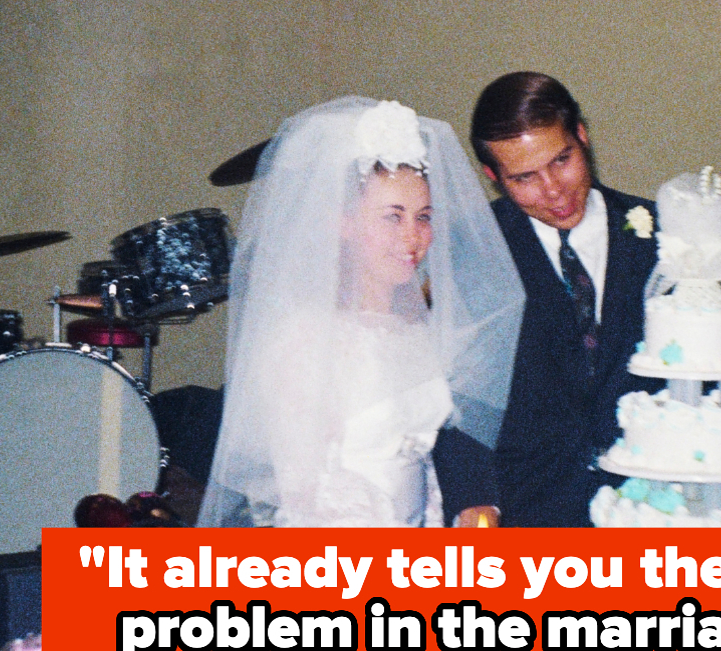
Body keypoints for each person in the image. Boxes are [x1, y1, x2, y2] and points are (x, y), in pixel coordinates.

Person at [198, 97, 524, 528]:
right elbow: (302, 494)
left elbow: (424, 466)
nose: (413, 238)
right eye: (393, 217)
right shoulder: (304, 340)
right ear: (345, 223)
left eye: (423, 216)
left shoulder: (414, 326)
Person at [470, 72, 663, 527]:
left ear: (582, 136)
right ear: (493, 177)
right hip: (527, 518)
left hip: (654, 514)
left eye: (561, 160)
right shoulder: (473, 249)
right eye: (524, 177)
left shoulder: (665, 238)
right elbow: (461, 403)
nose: (553, 190)